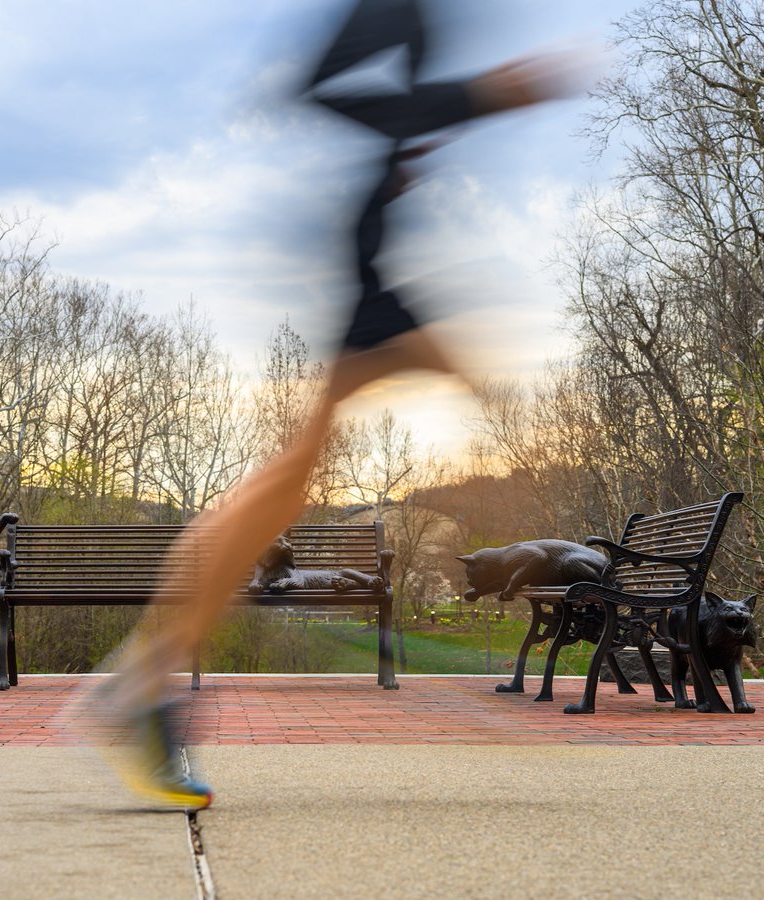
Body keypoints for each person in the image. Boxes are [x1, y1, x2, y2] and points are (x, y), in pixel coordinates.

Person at [79, 0, 584, 810]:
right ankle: (148, 676)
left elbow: (362, 85)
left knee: (294, 470)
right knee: (298, 467)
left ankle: (148, 674)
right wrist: (478, 98)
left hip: (371, 236)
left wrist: (461, 105)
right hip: (366, 241)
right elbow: (338, 85)